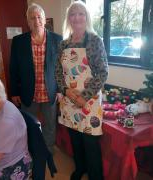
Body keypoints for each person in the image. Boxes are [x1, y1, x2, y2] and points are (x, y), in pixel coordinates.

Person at [55, 1, 108, 180]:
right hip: (69, 100)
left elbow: (102, 73)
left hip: (89, 102)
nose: (76, 18)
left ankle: (95, 175)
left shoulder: (95, 40)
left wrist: (84, 96)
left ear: (86, 17)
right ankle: (80, 168)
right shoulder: (63, 45)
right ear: (68, 19)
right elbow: (57, 72)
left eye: (81, 14)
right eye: (73, 14)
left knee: (90, 143)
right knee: (75, 140)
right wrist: (66, 91)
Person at [9, 3, 62, 153]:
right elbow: (13, 69)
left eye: (39, 17)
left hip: (50, 92)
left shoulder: (58, 40)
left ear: (44, 20)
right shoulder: (19, 41)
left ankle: (48, 151)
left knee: (50, 124)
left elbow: (61, 69)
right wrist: (14, 92)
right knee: (29, 124)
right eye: (32, 18)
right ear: (28, 22)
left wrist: (60, 89)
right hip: (28, 92)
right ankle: (33, 150)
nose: (36, 20)